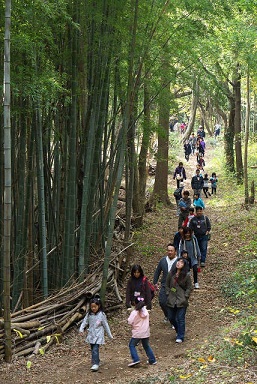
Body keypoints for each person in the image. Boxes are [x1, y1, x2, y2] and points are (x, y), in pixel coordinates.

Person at [79, 296, 113, 372]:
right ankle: (96, 360)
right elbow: (85, 322)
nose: (93, 308)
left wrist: (109, 335)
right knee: (93, 349)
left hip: (98, 335)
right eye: (92, 307)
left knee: (95, 349)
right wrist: (81, 329)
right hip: (91, 334)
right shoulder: (89, 314)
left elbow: (105, 325)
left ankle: (95, 364)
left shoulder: (102, 315)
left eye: (95, 307)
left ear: (99, 306)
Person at [165, 258, 192, 343]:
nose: (179, 263)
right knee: (171, 317)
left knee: (181, 318)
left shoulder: (186, 275)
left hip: (181, 300)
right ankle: (178, 330)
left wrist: (186, 296)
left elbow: (189, 287)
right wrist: (168, 293)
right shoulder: (171, 273)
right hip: (171, 299)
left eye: (181, 262)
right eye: (178, 261)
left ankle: (180, 336)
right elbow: (167, 285)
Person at [127, 296, 157, 367]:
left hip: (137, 333)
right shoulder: (146, 311)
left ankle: (135, 359)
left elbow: (130, 321)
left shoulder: (134, 312)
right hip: (146, 332)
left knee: (131, 345)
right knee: (146, 345)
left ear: (134, 303)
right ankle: (152, 360)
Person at [153, 243, 177, 322]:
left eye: (171, 251)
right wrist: (155, 282)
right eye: (168, 250)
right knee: (162, 301)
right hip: (165, 286)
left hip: (174, 287)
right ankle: (167, 315)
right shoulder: (163, 260)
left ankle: (174, 318)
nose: (169, 252)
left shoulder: (179, 261)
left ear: (175, 251)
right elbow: (157, 271)